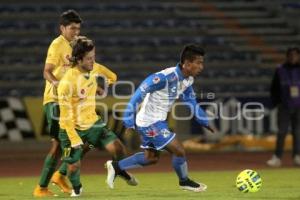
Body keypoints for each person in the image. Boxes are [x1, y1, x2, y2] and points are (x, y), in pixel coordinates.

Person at [105, 44, 214, 192]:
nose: (202, 67)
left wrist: (203, 120)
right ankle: (184, 181)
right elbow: (139, 93)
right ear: (187, 64)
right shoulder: (164, 77)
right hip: (149, 122)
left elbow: (190, 101)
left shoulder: (188, 80)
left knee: (150, 158)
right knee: (179, 150)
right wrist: (128, 117)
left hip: (158, 121)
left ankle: (116, 166)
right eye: (199, 63)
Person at [57, 36, 137, 197]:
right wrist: (74, 139)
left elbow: (112, 76)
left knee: (119, 149)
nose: (93, 62)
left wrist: (105, 85)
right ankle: (77, 188)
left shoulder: (94, 68)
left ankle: (118, 169)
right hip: (70, 130)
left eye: (94, 57)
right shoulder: (66, 83)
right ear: (78, 60)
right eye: (89, 59)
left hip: (94, 124)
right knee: (73, 166)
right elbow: (65, 117)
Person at [33, 10, 83, 197]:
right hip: (54, 101)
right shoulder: (57, 44)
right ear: (62, 28)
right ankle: (43, 186)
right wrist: (57, 84)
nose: (76, 32)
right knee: (59, 145)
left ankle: (59, 176)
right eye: (72, 28)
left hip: (70, 102)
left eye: (78, 28)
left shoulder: (77, 45)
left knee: (81, 140)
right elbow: (46, 71)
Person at [267, 47, 300, 167]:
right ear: (287, 56)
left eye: (295, 55)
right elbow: (274, 88)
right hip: (285, 106)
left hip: (299, 106)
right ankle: (277, 157)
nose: (293, 57)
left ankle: (297, 156)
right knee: (282, 132)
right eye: (291, 55)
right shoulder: (280, 70)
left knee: (297, 132)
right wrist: (277, 102)